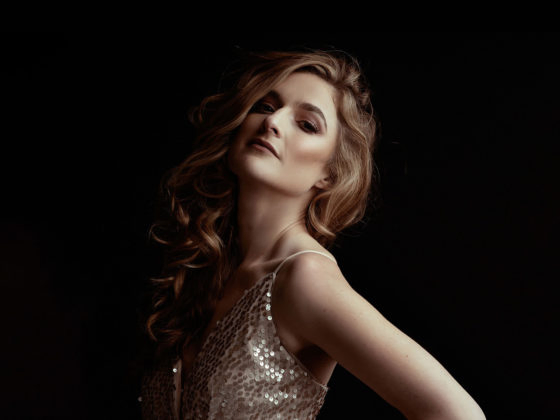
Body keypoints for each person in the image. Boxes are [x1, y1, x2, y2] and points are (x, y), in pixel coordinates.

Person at [138, 49, 486, 419]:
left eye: (306, 124)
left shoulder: (304, 278)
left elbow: (458, 413)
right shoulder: (211, 271)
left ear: (329, 174)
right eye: (265, 106)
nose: (272, 122)